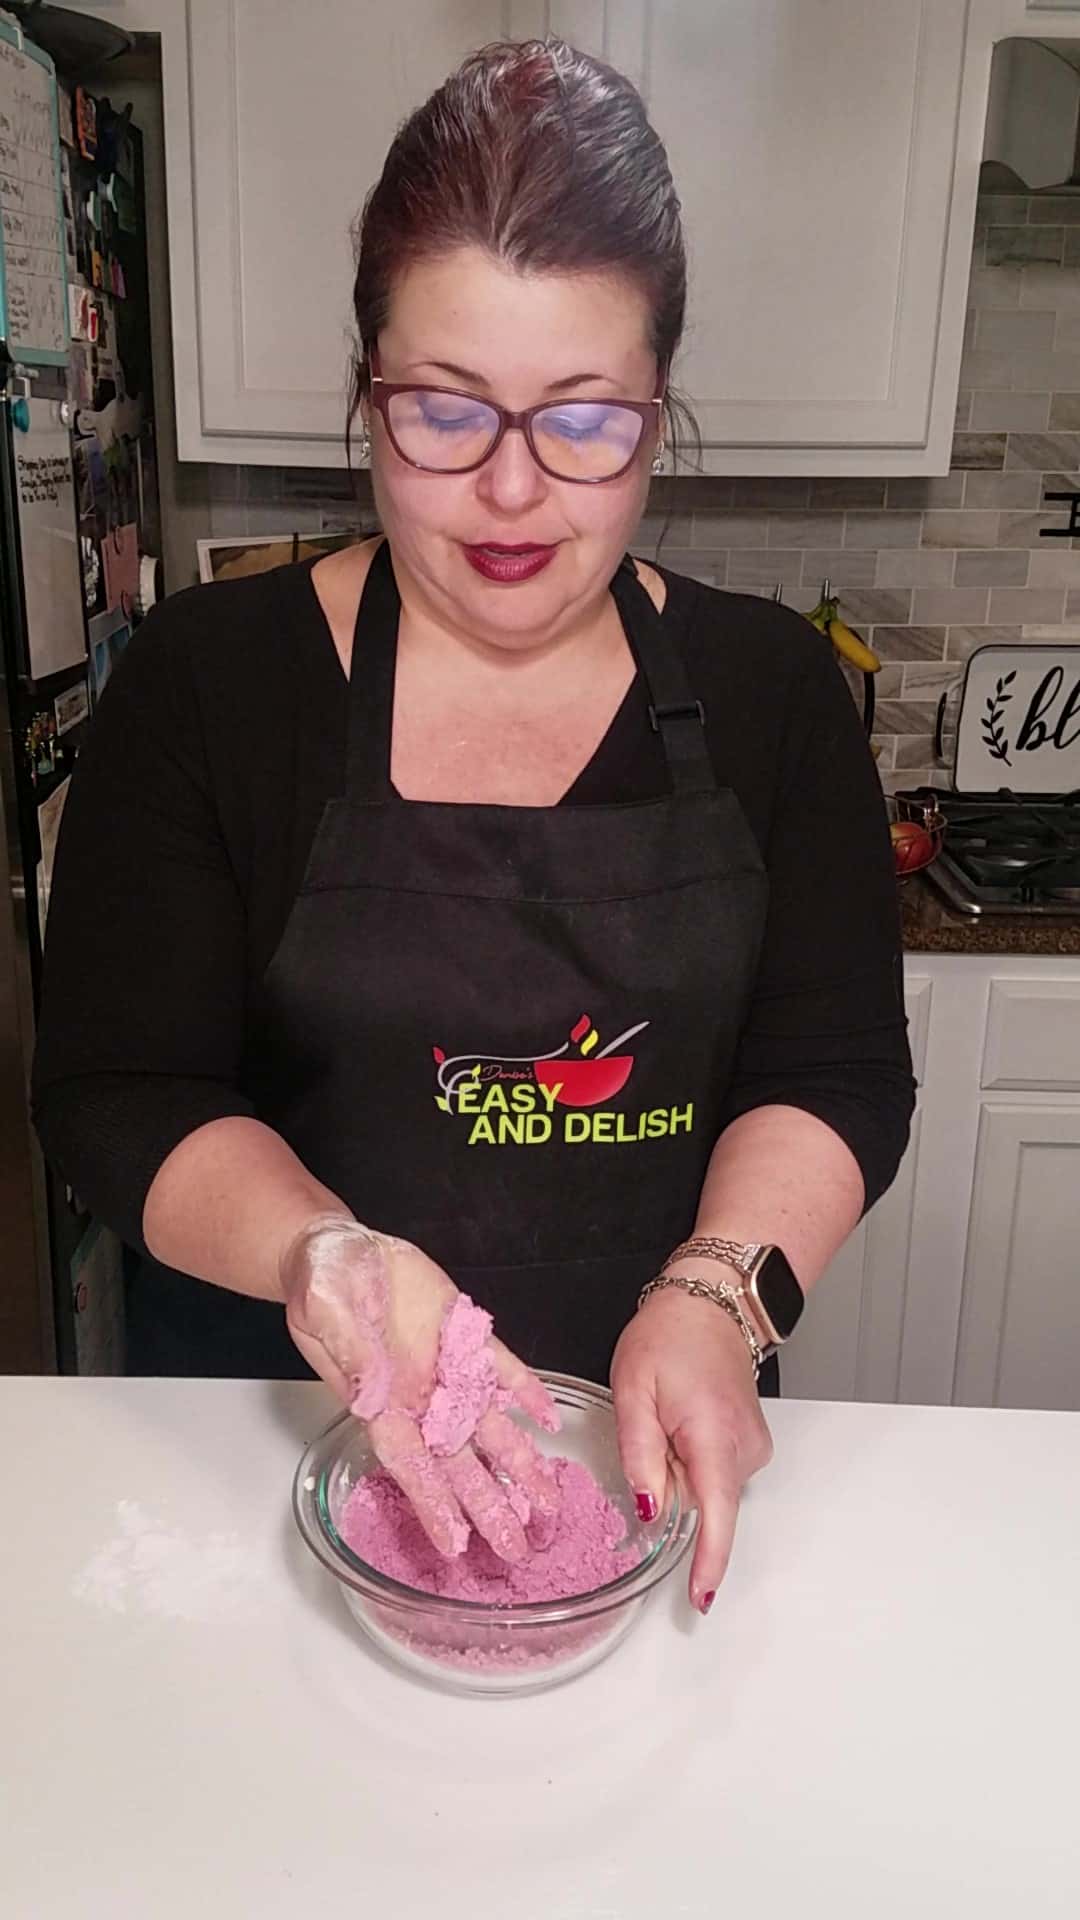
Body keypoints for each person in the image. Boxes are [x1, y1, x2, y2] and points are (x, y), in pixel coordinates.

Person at [32, 38, 914, 1610]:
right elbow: (117, 1091)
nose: (513, 492)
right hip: (261, 1465)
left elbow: (833, 1074)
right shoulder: (209, 687)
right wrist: (325, 1261)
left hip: (649, 1461)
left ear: (659, 409)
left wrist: (719, 1297)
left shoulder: (772, 691)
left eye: (585, 421)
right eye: (446, 411)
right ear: (362, 391)